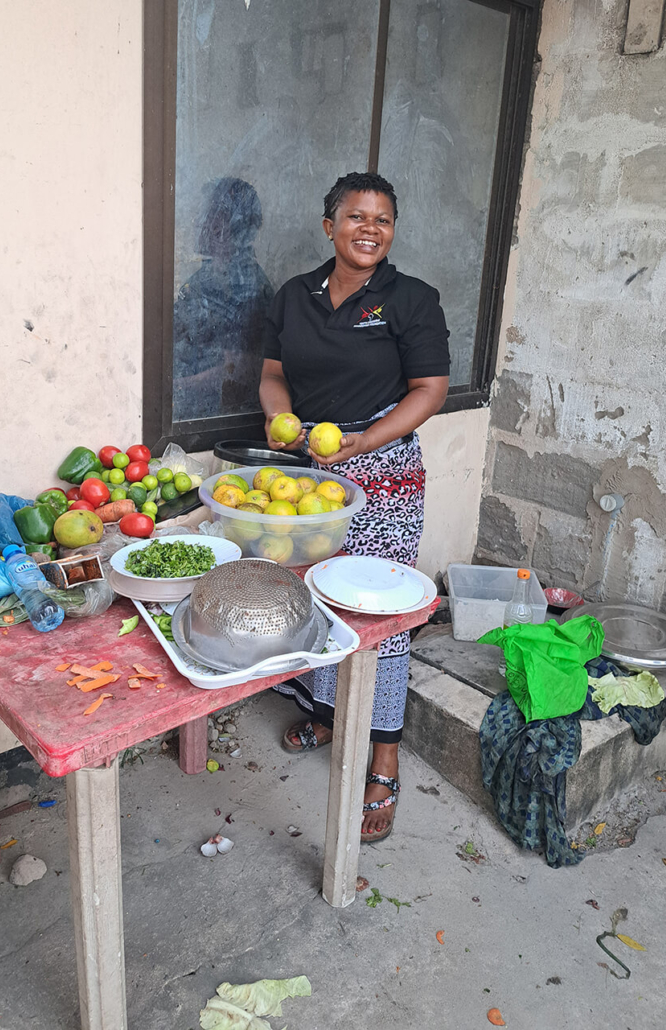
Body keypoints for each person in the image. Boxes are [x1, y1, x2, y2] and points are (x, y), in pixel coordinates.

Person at [259, 171, 450, 842]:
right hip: (313, 470)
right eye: (355, 216)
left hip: (385, 471)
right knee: (316, 598)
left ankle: (386, 757)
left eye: (383, 219)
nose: (369, 228)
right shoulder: (295, 295)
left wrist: (366, 439)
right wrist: (283, 422)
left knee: (380, 613)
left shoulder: (411, 298)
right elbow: (275, 373)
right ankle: (330, 713)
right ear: (329, 225)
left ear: (391, 231)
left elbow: (430, 388)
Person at [173, 177, 273, 421]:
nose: (199, 223)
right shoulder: (204, 278)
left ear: (227, 228)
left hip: (217, 419)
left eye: (209, 215)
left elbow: (238, 370)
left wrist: (177, 387)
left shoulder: (249, 287)